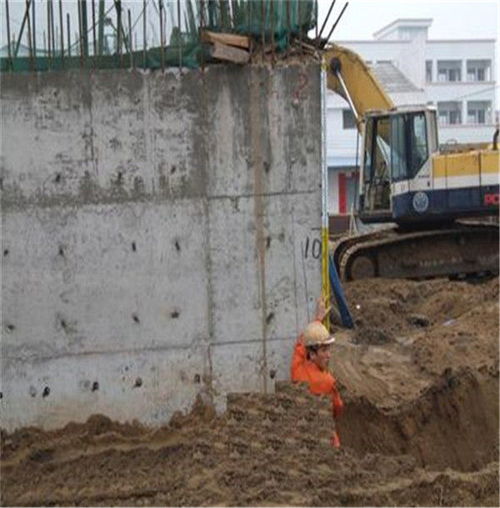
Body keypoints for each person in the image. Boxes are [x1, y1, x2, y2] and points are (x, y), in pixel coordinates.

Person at [290, 299, 344, 448]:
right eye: (324, 350)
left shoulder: (297, 370)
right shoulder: (327, 381)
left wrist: (317, 322)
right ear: (313, 354)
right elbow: (337, 408)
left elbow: (301, 345)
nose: (329, 355)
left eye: (328, 350)